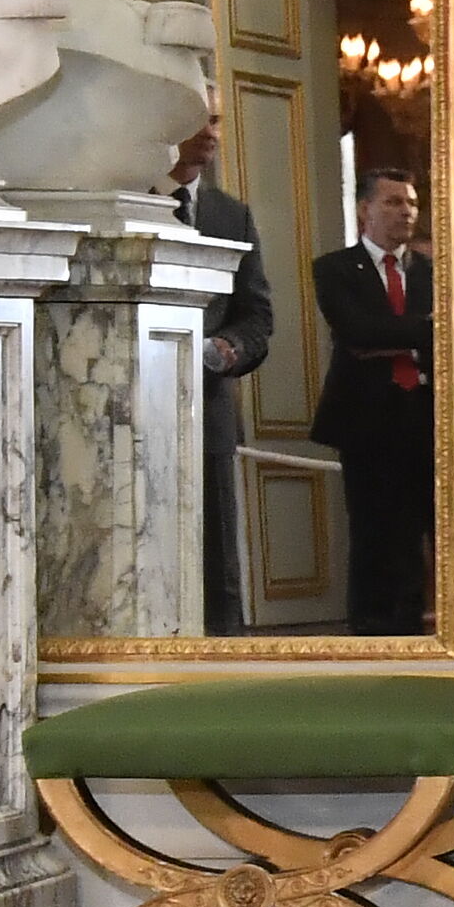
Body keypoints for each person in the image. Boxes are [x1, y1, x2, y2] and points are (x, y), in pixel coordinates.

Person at [312, 166, 433, 635]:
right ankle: (371, 635)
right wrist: (422, 330)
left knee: (423, 534)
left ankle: (416, 636)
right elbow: (358, 332)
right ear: (365, 209)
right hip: (367, 424)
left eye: (411, 203)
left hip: (424, 419)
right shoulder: (336, 269)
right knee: (374, 536)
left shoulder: (434, 273)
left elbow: (448, 337)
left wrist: (396, 336)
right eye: (393, 202)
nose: (406, 212)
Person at [171, 97, 274, 634]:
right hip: (125, 407)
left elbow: (257, 316)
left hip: (207, 410)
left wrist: (231, 346)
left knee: (219, 566)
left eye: (215, 120)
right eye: (197, 118)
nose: (210, 132)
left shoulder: (231, 215)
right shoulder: (123, 201)